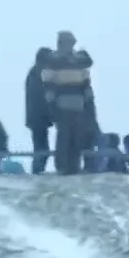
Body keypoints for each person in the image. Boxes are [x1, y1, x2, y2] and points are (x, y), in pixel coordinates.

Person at [40, 31, 95, 175]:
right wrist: (51, 105)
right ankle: (62, 167)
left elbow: (86, 83)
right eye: (68, 43)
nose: (70, 46)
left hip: (78, 105)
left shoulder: (79, 62)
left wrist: (87, 100)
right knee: (64, 137)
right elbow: (48, 84)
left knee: (77, 137)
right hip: (62, 106)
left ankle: (74, 167)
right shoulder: (52, 62)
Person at [25, 48, 53, 173]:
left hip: (37, 118)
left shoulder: (35, 73)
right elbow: (40, 96)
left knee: (41, 148)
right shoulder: (38, 73)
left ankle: (37, 170)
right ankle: (37, 170)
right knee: (42, 149)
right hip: (38, 118)